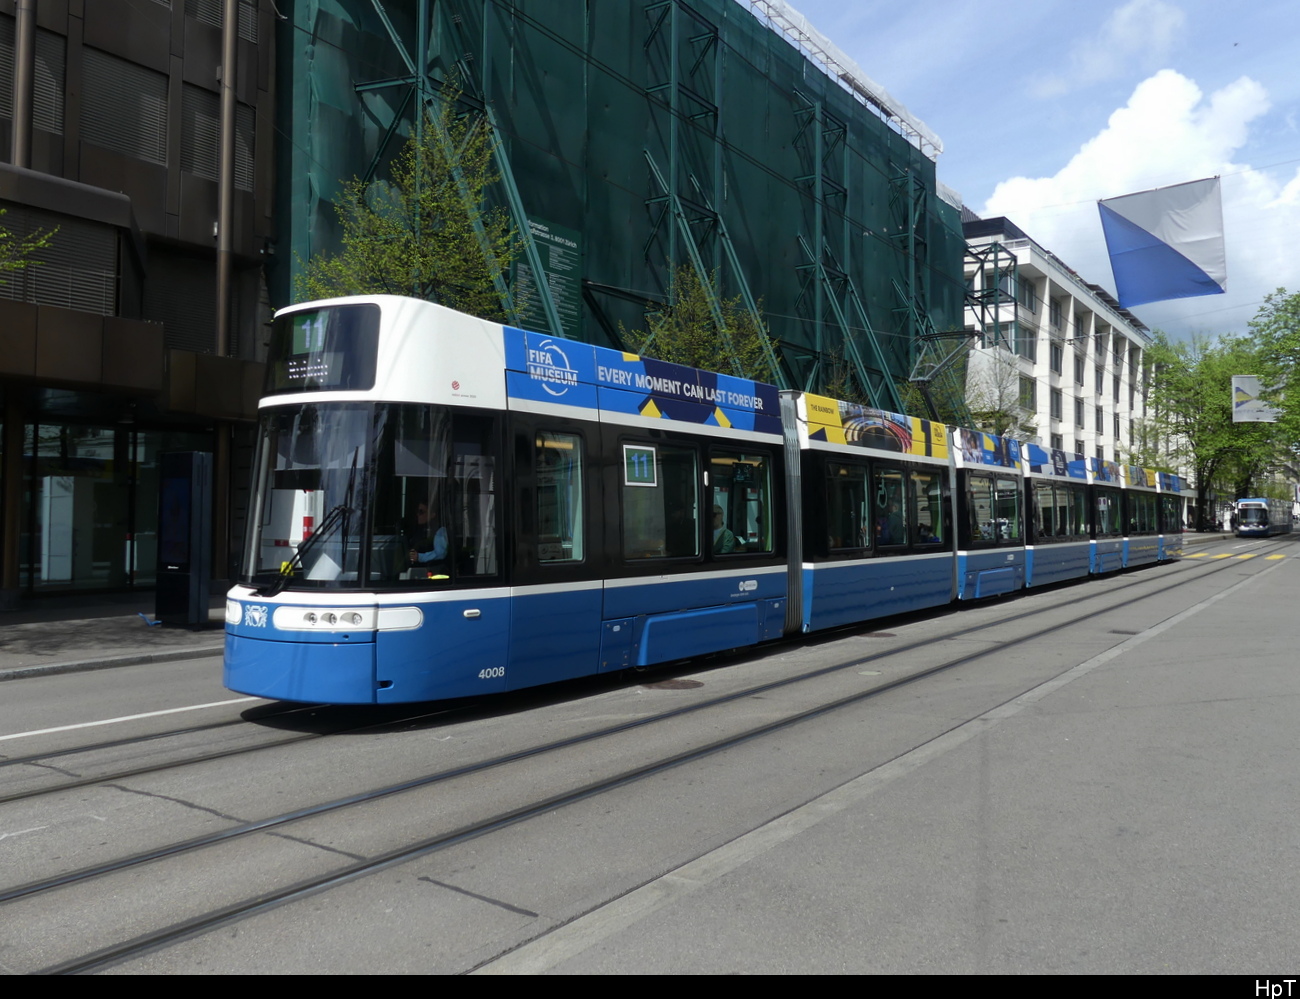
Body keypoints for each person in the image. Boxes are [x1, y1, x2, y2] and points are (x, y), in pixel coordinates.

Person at [408, 499, 449, 568]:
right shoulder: (418, 530)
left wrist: (420, 557)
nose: (417, 515)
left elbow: (441, 553)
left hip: (433, 569)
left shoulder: (440, 531)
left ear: (432, 514)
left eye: (421, 512)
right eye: (417, 511)